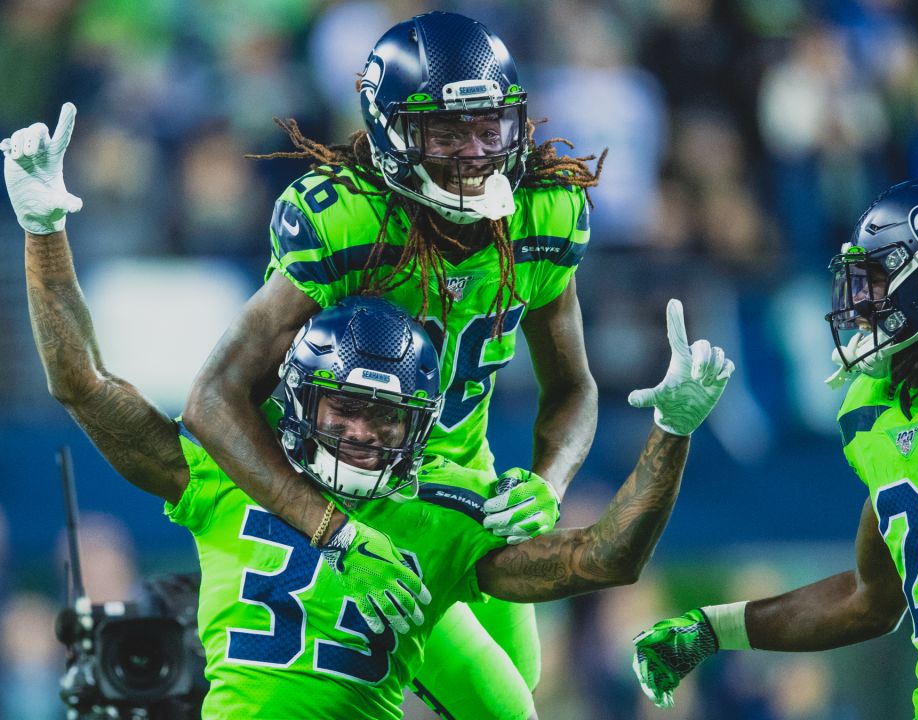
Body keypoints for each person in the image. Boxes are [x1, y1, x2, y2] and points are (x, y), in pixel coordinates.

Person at [0, 105, 735, 718]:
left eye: (386, 418)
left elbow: (606, 557)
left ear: (423, 429)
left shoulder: (439, 508)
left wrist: (670, 433)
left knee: (518, 699)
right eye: (341, 406)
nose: (358, 431)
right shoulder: (229, 473)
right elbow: (87, 385)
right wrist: (43, 233)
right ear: (293, 396)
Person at [181, 11, 608, 717]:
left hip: (457, 484)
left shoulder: (546, 212)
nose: (475, 152)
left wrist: (548, 481)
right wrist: (328, 526)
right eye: (445, 130)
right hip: (349, 481)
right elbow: (213, 398)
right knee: (503, 708)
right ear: (393, 132)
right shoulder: (348, 222)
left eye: (488, 126)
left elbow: (574, 387)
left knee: (523, 676)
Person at [632, 176, 918, 719]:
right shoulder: (874, 409)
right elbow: (868, 599)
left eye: (879, 277)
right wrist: (710, 629)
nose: (861, 300)